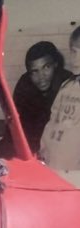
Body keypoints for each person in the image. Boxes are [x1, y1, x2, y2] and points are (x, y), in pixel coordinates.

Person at [0, 40, 72, 159]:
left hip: (58, 142)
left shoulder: (69, 83)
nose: (41, 76)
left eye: (46, 67)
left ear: (56, 64)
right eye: (34, 71)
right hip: (31, 139)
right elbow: (15, 123)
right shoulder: (25, 84)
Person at [40, 26, 80, 172]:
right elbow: (53, 120)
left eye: (78, 52)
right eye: (73, 52)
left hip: (73, 170)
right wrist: (43, 148)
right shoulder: (67, 86)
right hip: (53, 162)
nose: (75, 59)